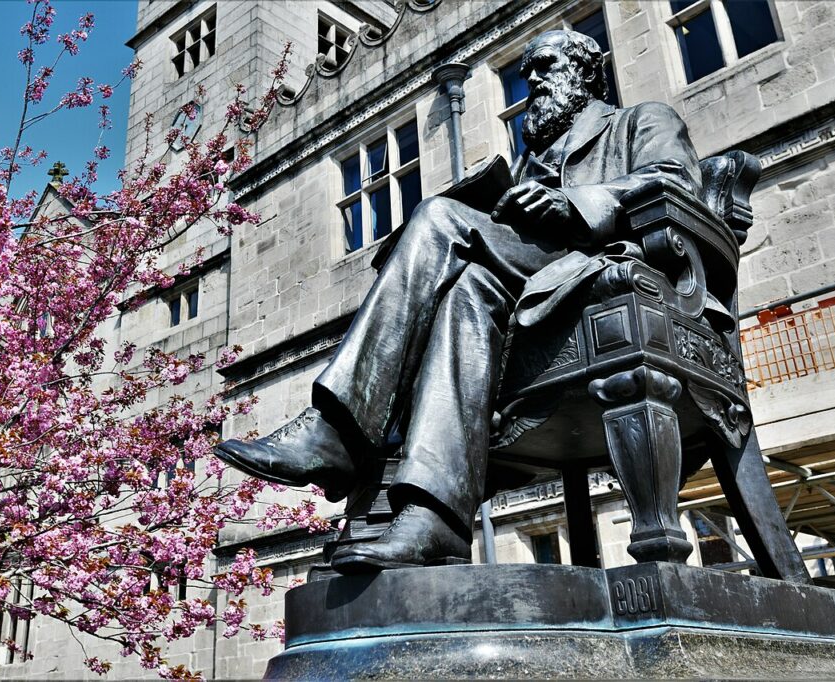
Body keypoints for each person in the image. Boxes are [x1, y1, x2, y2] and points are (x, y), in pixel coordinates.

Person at [216, 29, 702, 573]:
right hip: (525, 286)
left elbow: (674, 180)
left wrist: (574, 205)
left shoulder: (641, 120)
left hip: (597, 266)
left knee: (438, 219)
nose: (533, 78)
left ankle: (336, 428)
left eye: (545, 65)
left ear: (588, 73)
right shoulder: (530, 158)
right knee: (462, 295)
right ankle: (434, 519)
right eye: (528, 70)